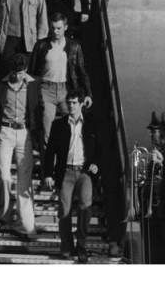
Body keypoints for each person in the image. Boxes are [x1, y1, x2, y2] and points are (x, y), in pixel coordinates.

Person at [0, 53, 40, 236]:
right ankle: (4, 214)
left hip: (25, 133)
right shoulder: (0, 83)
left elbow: (39, 109)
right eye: (14, 72)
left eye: (20, 73)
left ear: (25, 70)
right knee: (4, 175)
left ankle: (27, 226)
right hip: (5, 132)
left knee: (24, 181)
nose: (17, 76)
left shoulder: (34, 83)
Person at [28, 12, 92, 167]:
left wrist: (88, 93)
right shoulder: (41, 45)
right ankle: (48, 172)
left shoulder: (74, 47)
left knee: (74, 127)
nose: (55, 31)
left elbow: (81, 71)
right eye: (53, 28)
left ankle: (70, 165)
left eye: (58, 28)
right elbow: (32, 71)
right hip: (46, 89)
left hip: (66, 90)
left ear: (65, 27)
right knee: (48, 133)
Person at [44, 89, 98, 263]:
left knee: (86, 206)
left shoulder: (91, 122)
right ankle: (67, 247)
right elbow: (50, 150)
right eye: (69, 103)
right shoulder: (58, 124)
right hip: (65, 172)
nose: (71, 106)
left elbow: (101, 147)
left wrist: (97, 164)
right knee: (64, 211)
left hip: (84, 172)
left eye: (75, 102)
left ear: (81, 104)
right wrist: (47, 174)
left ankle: (81, 244)